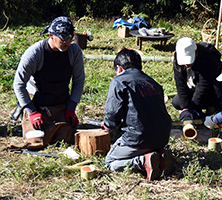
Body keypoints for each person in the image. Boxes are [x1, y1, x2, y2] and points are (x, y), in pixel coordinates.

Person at [12, 16, 85, 149]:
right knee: (35, 139)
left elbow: (78, 81)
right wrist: (32, 111)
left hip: (61, 103)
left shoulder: (74, 52)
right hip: (38, 104)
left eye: (70, 39)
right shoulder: (35, 53)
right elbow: (18, 84)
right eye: (63, 39)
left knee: (66, 138)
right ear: (51, 35)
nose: (67, 43)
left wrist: (71, 108)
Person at [102, 48, 173, 181]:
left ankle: (143, 161)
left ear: (119, 68)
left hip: (138, 138)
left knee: (110, 162)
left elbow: (113, 113)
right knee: (149, 143)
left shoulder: (119, 81)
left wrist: (108, 125)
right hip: (162, 137)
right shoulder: (153, 83)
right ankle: (159, 155)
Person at [172, 37, 222, 121]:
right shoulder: (177, 61)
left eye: (188, 61)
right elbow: (180, 85)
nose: (186, 64)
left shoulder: (208, 59)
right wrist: (185, 108)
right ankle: (200, 110)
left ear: (196, 53)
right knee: (177, 102)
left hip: (213, 90)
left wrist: (193, 108)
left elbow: (203, 86)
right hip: (195, 88)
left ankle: (216, 109)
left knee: (218, 88)